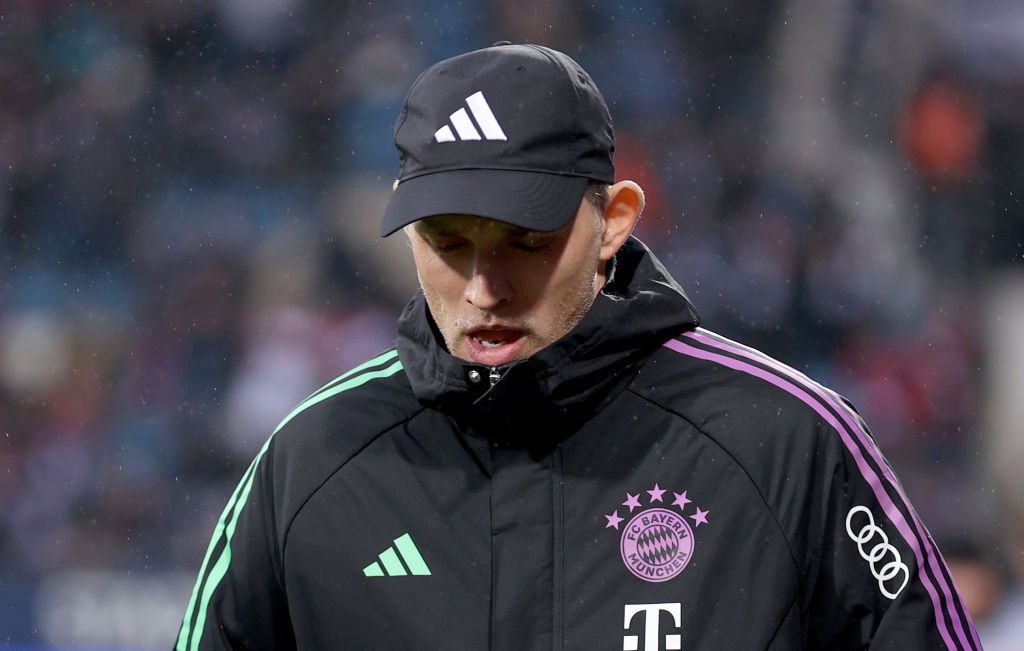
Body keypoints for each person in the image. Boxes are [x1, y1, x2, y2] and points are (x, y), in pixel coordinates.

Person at [174, 42, 980, 650]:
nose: (483, 287)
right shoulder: (311, 461)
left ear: (615, 220)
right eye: (448, 242)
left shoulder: (787, 444)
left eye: (525, 241)